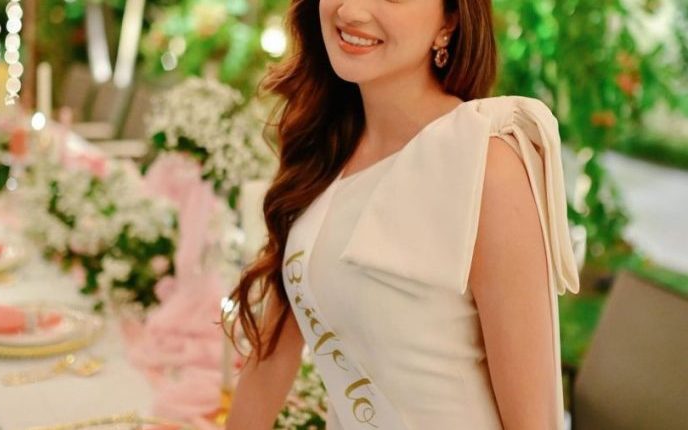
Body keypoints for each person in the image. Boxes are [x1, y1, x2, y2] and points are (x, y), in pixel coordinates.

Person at [224, 0, 580, 428]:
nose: (352, 10)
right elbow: (271, 359)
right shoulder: (326, 147)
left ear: (449, 21)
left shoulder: (486, 166)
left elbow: (533, 421)